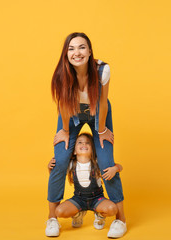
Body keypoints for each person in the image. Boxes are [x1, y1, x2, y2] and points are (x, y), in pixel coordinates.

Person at [46, 32, 127, 238]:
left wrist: (101, 130)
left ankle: (121, 221)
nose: (77, 53)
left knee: (107, 161)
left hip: (98, 113)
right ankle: (52, 218)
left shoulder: (102, 71)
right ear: (66, 54)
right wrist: (64, 130)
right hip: (71, 113)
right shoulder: (61, 75)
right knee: (61, 160)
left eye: (82, 47)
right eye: (71, 49)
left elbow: (101, 102)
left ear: (90, 52)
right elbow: (63, 104)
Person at [47, 133, 123, 235]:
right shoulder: (70, 165)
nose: (84, 144)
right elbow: (56, 177)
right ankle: (78, 213)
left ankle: (100, 215)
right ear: (74, 150)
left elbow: (120, 167)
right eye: (80, 142)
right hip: (78, 199)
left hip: (97, 199)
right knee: (59, 211)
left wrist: (114, 169)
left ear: (93, 149)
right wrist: (50, 168)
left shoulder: (97, 163)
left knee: (112, 209)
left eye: (88, 143)